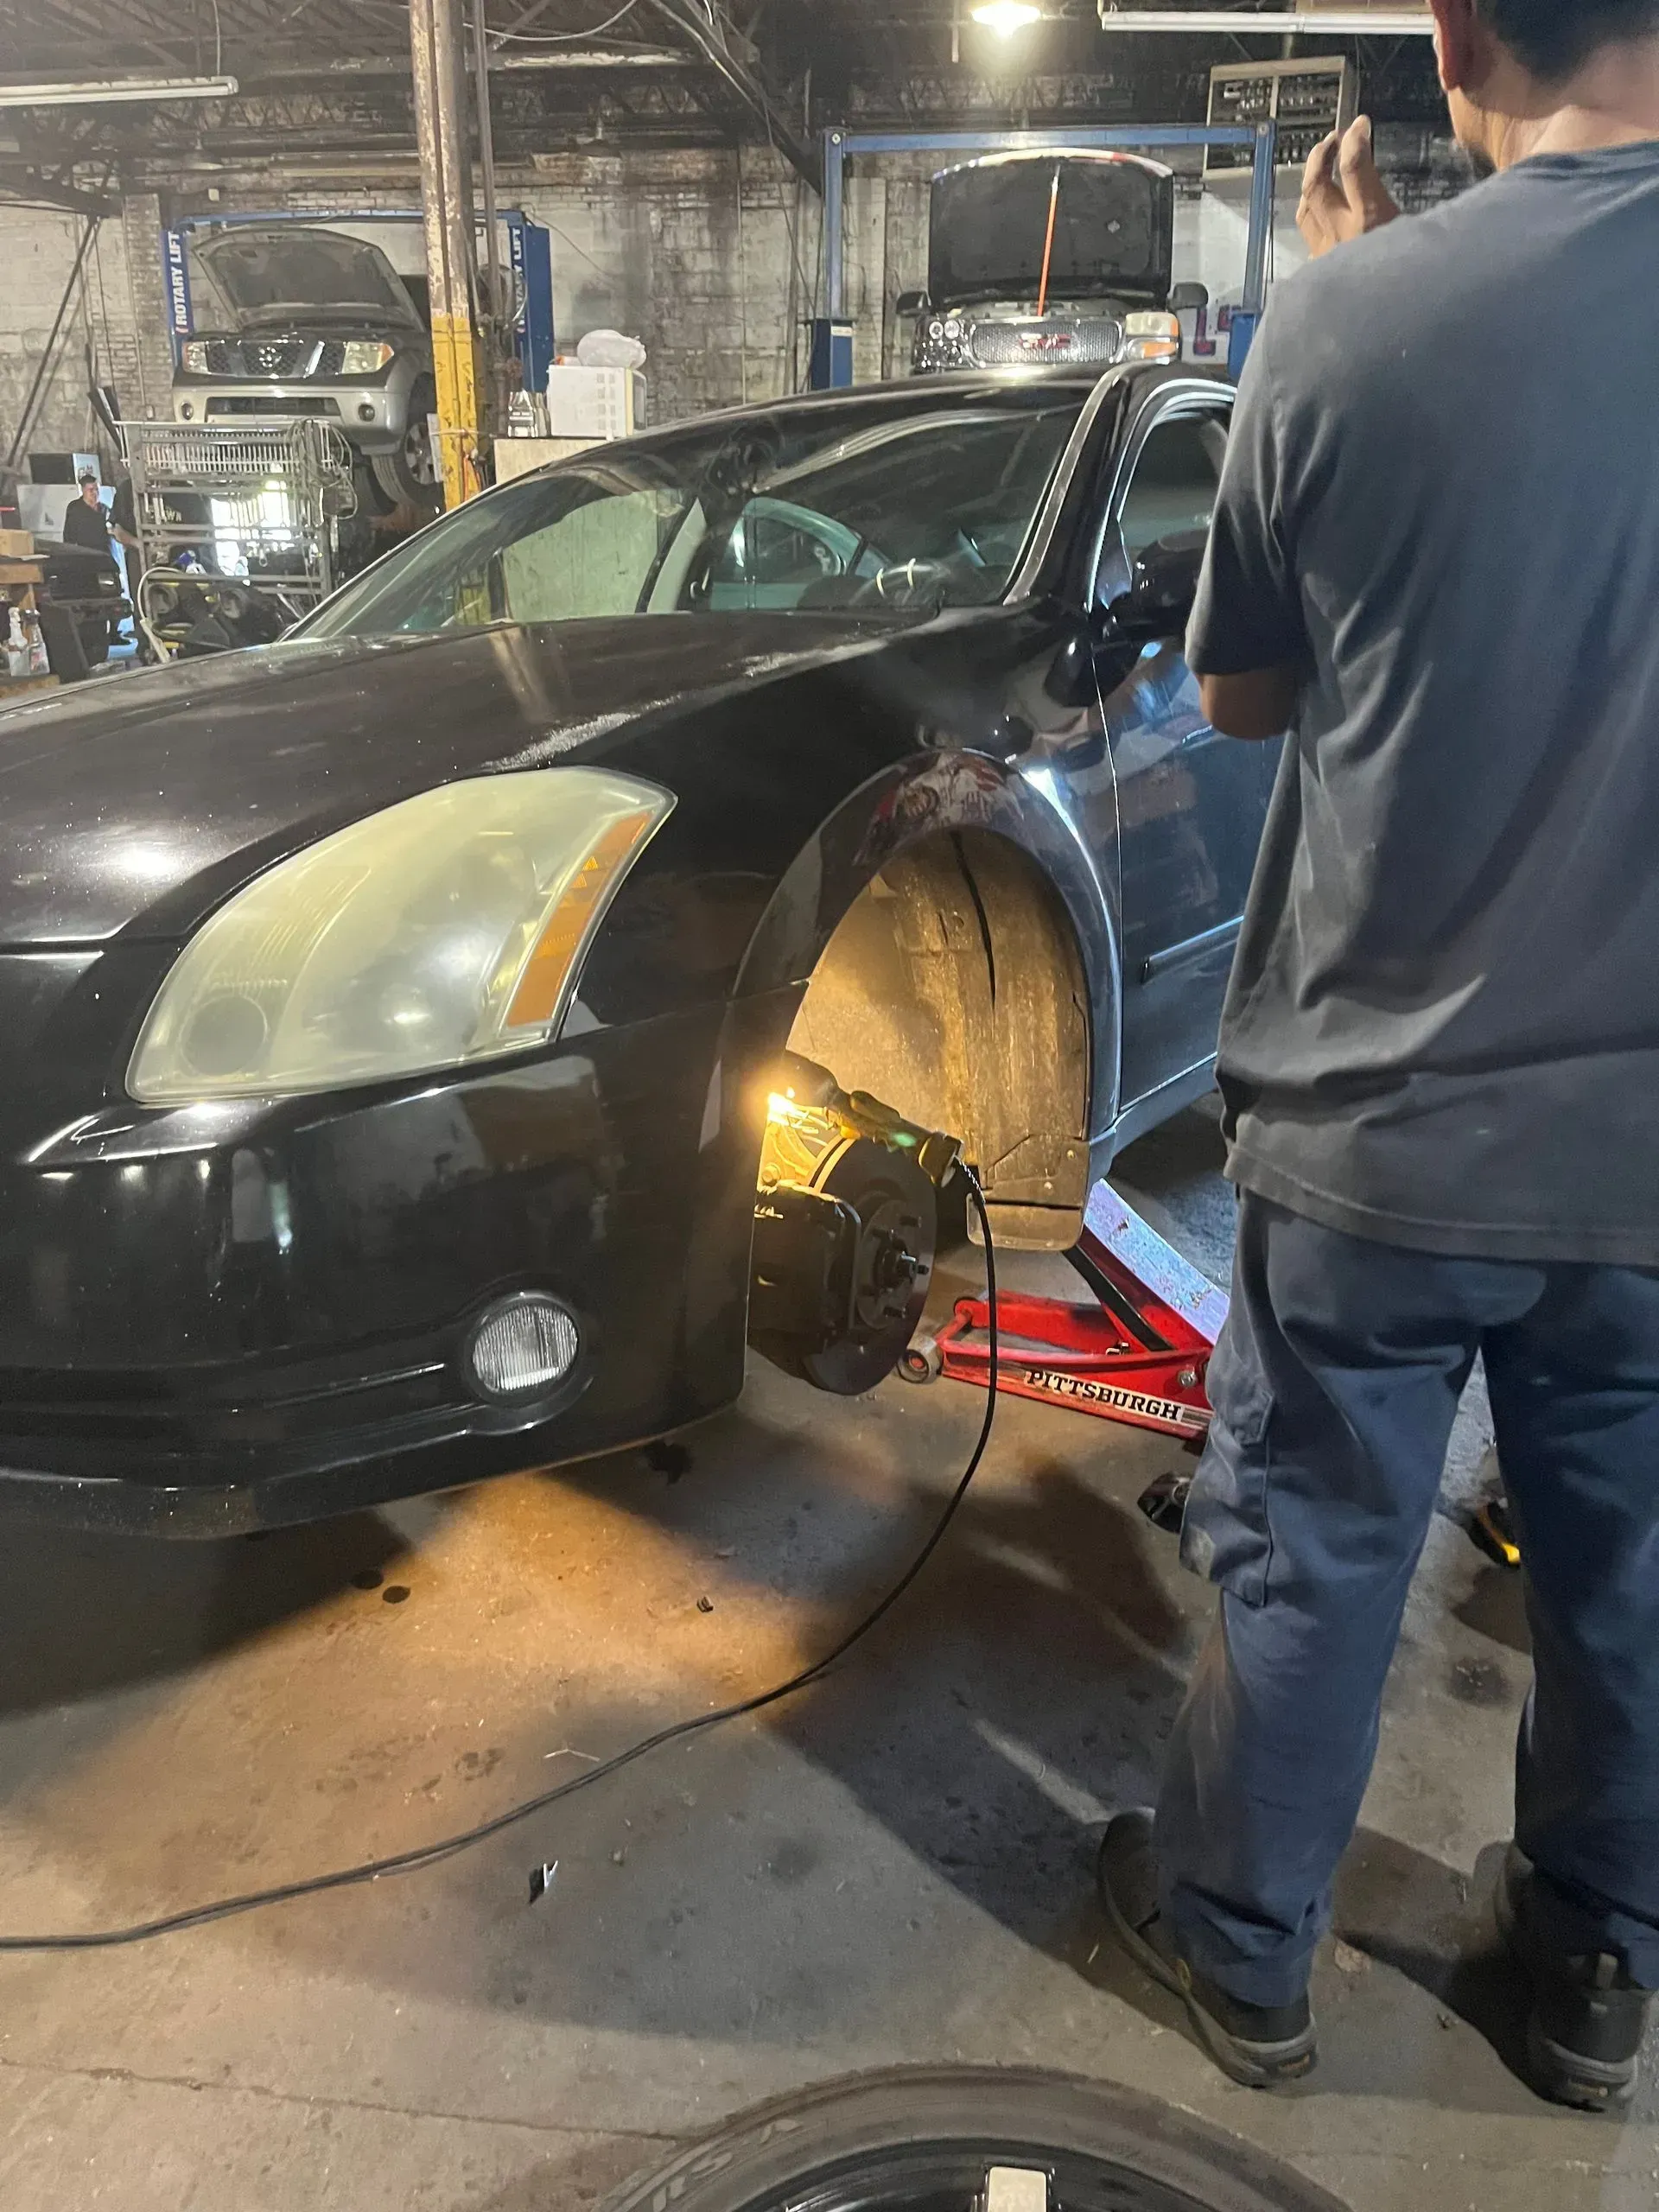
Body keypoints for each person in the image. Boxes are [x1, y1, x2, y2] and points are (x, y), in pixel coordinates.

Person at [1096, 0, 1659, 2114]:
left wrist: (1321, 320)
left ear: (1446, 41)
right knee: (1633, 1557)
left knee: (1315, 1529)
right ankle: (1595, 1970)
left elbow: (1239, 700)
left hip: (1386, 1113)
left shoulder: (1345, 322)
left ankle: (1241, 1955)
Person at [60, 471, 112, 554]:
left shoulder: (104, 508)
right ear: (83, 490)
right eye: (91, 490)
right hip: (83, 554)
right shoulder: (74, 508)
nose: (95, 493)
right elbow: (68, 535)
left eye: (96, 489)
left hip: (103, 554)